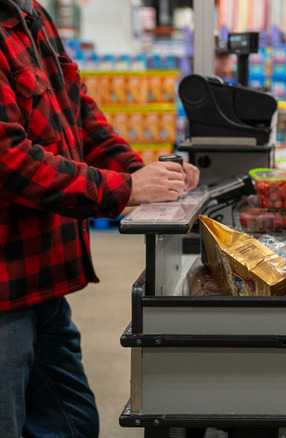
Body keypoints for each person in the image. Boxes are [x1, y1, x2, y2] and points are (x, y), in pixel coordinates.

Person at [0, 1, 199, 437]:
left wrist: (149, 174)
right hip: (4, 288)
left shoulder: (30, 15)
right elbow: (10, 161)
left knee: (73, 423)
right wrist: (125, 189)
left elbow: (81, 115)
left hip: (42, 281)